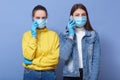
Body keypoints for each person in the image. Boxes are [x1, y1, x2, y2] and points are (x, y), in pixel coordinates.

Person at [59, 3, 101, 80]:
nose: (80, 17)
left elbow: (96, 61)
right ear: (71, 17)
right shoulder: (64, 35)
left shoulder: (93, 35)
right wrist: (71, 36)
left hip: (87, 75)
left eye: (83, 15)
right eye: (77, 15)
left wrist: (93, 78)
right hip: (70, 75)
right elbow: (64, 56)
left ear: (86, 17)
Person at [22, 5, 59, 80]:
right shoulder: (26, 35)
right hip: (30, 73)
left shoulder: (54, 35)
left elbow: (55, 59)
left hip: (49, 73)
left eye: (43, 18)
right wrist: (33, 36)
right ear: (33, 18)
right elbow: (28, 56)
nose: (41, 20)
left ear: (46, 18)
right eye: (38, 18)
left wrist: (33, 62)